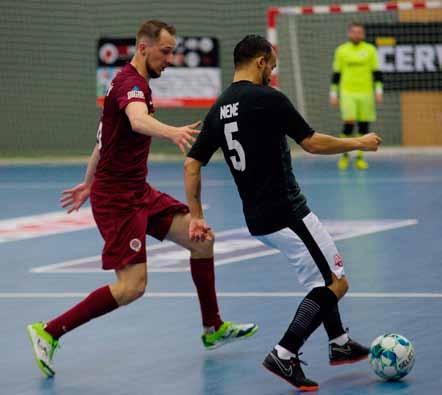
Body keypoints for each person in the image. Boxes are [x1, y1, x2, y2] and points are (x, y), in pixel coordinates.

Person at [27, 20, 257, 379]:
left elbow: (102, 142)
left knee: (202, 240)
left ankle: (213, 328)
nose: (170, 59)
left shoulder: (132, 84)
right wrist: (172, 132)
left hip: (137, 191)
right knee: (132, 287)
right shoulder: (130, 86)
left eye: (173, 52)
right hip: (118, 201)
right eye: (165, 52)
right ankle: (48, 332)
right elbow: (136, 121)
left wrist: (87, 183)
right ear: (143, 48)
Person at [184, 35, 382, 391]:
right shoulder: (267, 99)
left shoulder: (219, 108)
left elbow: (192, 163)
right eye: (271, 67)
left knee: (318, 280)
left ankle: (339, 343)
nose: (272, 75)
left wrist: (196, 213)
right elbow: (311, 141)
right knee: (336, 282)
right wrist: (358, 142)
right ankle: (285, 352)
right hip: (287, 211)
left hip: (258, 219)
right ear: (260, 61)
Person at [330, 22, 383, 170]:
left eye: (359, 32)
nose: (356, 34)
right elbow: (336, 74)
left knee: (364, 126)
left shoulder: (370, 50)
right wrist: (333, 93)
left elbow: (377, 73)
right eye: (354, 32)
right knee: (349, 123)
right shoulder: (341, 50)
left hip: (366, 93)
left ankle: (360, 157)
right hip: (347, 92)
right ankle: (345, 155)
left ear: (363, 34)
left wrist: (379, 91)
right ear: (349, 34)